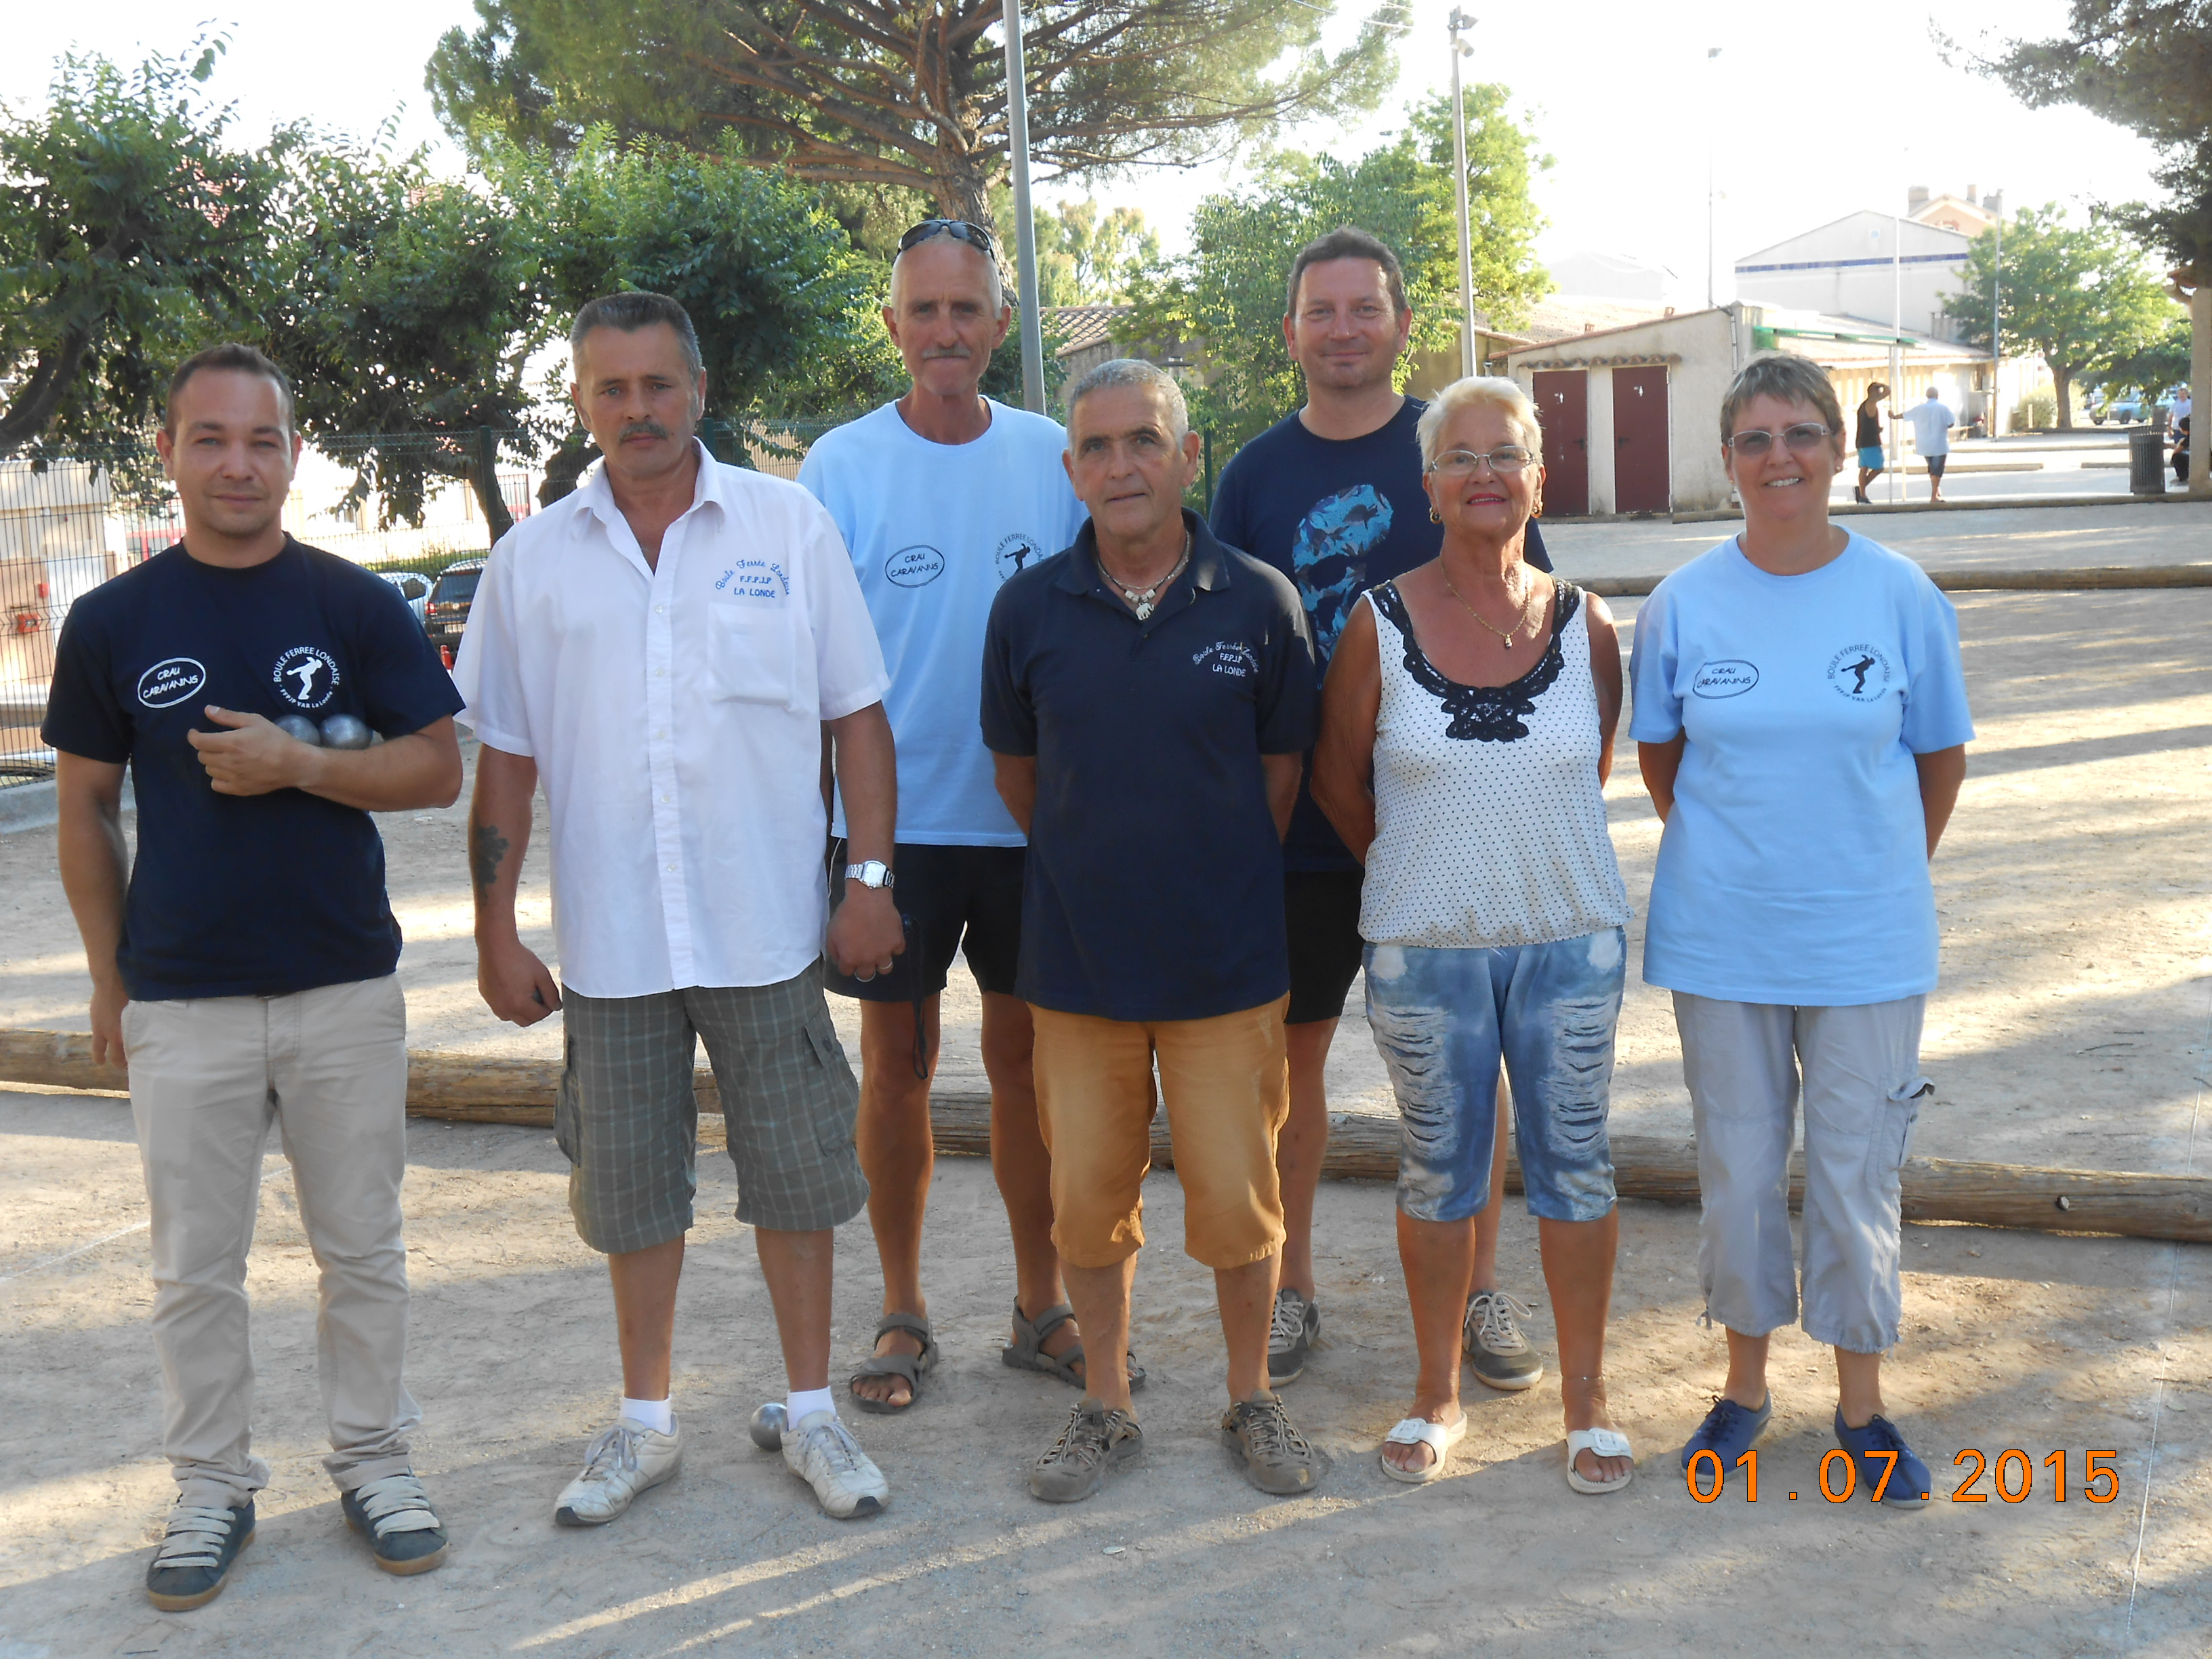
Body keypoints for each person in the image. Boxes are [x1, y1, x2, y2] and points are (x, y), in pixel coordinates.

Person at [456, 291, 903, 1524]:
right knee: (629, 1191)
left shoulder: (787, 525)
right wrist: (493, 927)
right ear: (584, 403)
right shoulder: (531, 559)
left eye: (659, 385)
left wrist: (867, 880)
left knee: (799, 1178)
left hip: (768, 930)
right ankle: (643, 1422)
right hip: (611, 944)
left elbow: (856, 715)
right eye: (612, 389)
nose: (638, 411)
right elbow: (503, 757)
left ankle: (810, 1412)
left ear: (698, 390)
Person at [45, 344, 465, 1609]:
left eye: (263, 439)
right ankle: (211, 1485)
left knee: (363, 1248)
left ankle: (375, 1460)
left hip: (341, 981)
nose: (238, 462)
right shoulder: (112, 621)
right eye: (211, 438)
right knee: (192, 1266)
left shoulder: (354, 604)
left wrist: (302, 764)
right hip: (181, 994)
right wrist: (110, 978)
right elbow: (83, 811)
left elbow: (437, 766)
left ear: (294, 453)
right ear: (167, 452)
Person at [1210, 226, 1553, 1393]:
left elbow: (1535, 621)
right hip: (1301, 836)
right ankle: (1291, 1286)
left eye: (1365, 308)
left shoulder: (1457, 444)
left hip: (1448, 830)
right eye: (1322, 310)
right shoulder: (1253, 476)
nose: (1344, 328)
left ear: (1401, 323)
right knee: (1288, 1072)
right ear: (1293, 330)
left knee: (1471, 1066)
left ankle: (1477, 1287)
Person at [1631, 351, 1971, 1507]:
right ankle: (1740, 1386)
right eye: (1752, 438)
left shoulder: (1897, 593)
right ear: (1725, 460)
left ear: (1837, 446)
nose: (1777, 456)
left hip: (1864, 942)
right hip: (1720, 935)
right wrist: (1750, 863)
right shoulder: (1683, 602)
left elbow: (1936, 759)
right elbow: (1661, 760)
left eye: (1799, 433)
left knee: (1852, 1172)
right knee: (1733, 1166)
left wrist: (1857, 868)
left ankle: (1861, 1405)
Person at [982, 359, 1324, 1504]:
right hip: (1075, 969)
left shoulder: (1260, 601)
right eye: (1096, 446)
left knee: (1238, 1199)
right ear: (1070, 468)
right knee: (1087, 1198)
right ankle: (1107, 1404)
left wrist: (1197, 871)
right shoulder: (1027, 608)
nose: (1119, 465)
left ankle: (1248, 1396)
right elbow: (1020, 777)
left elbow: (1277, 780)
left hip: (1225, 966)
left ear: (1189, 457)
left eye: (1143, 441)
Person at [1311, 375, 1636, 1494]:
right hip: (1423, 944)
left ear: (1537, 479)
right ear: (1428, 485)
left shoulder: (1588, 621)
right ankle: (1435, 1390)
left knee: (1574, 1167)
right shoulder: (1373, 623)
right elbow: (1337, 781)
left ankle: (1585, 1400)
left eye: (1506, 453)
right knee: (1437, 1169)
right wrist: (1419, 868)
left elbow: (1580, 779)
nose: (1484, 472)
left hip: (1568, 938)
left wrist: (1500, 859)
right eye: (1460, 455)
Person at [798, 218, 1097, 1414]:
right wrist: (835, 851)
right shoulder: (839, 466)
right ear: (890, 326)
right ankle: (902, 1308)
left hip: (1033, 821)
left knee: (1028, 1070)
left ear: (1000, 325)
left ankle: (1041, 1303)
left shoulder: (1050, 454)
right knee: (898, 1066)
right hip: (892, 830)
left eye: (964, 309)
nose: (943, 332)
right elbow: (809, 663)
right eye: (921, 311)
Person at [1896, 386, 1956, 503]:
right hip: (1939, 445)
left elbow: (1904, 415)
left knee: (1932, 469)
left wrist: (1893, 416)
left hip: (1924, 445)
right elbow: (1951, 423)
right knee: (1937, 470)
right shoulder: (1943, 408)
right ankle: (1934, 496)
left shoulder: (1919, 408)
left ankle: (1936, 490)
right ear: (1937, 396)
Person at [1853, 382, 1888, 504]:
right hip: (1871, 442)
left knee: (1864, 468)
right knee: (1879, 467)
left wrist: (1877, 429)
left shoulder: (1863, 406)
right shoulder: (1871, 402)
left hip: (1861, 440)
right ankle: (1861, 490)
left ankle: (1862, 495)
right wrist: (1881, 384)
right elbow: (1888, 391)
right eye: (1877, 392)